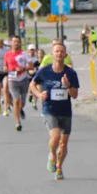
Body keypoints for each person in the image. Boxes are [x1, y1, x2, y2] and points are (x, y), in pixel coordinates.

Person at [31, 42, 79, 181]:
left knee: (63, 144)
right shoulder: (45, 71)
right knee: (56, 137)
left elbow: (74, 95)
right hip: (49, 109)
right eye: (56, 51)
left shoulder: (70, 73)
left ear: (65, 55)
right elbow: (32, 84)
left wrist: (68, 85)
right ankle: (52, 154)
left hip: (65, 111)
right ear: (52, 54)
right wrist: (39, 95)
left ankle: (59, 167)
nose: (59, 54)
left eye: (62, 52)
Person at [5, 36, 34, 132]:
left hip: (23, 79)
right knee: (16, 101)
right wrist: (8, 70)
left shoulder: (24, 54)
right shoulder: (7, 54)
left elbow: (31, 66)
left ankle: (20, 110)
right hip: (12, 80)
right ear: (11, 43)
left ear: (20, 43)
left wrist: (23, 69)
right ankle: (18, 122)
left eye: (18, 42)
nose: (16, 43)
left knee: (22, 102)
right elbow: (5, 67)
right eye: (14, 42)